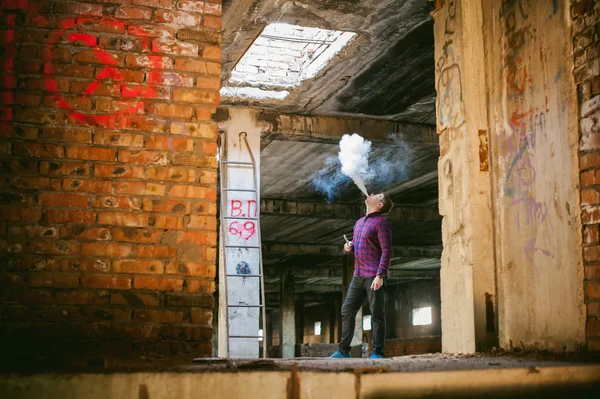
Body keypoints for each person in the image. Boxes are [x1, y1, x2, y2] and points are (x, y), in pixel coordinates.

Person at [329, 193, 394, 359]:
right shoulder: (359, 223)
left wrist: (380, 275)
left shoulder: (382, 222)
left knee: (376, 314)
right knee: (347, 311)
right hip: (358, 275)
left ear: (380, 205)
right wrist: (350, 246)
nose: (371, 194)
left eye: (377, 195)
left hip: (373, 275)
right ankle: (343, 351)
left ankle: (377, 352)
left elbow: (387, 250)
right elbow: (361, 247)